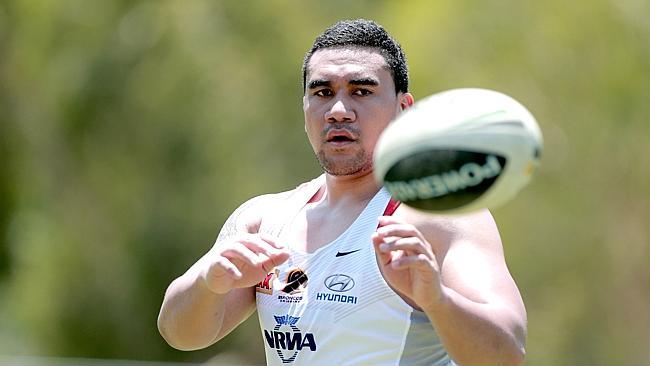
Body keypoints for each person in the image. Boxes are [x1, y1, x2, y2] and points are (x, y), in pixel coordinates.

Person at [157, 19, 527, 366]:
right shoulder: (263, 220)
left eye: (361, 91)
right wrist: (208, 283)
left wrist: (437, 300)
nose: (337, 110)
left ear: (403, 109)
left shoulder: (439, 216)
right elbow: (180, 334)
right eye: (322, 92)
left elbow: (508, 351)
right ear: (304, 108)